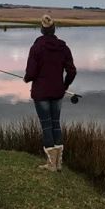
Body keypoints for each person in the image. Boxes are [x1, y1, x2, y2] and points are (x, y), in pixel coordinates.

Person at [24, 14, 76, 172]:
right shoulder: (63, 47)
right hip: (58, 92)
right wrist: (64, 85)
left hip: (41, 93)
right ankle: (58, 163)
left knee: (46, 126)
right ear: (54, 29)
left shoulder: (36, 47)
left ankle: (51, 164)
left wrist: (27, 79)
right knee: (56, 124)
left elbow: (31, 73)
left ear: (42, 29)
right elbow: (72, 71)